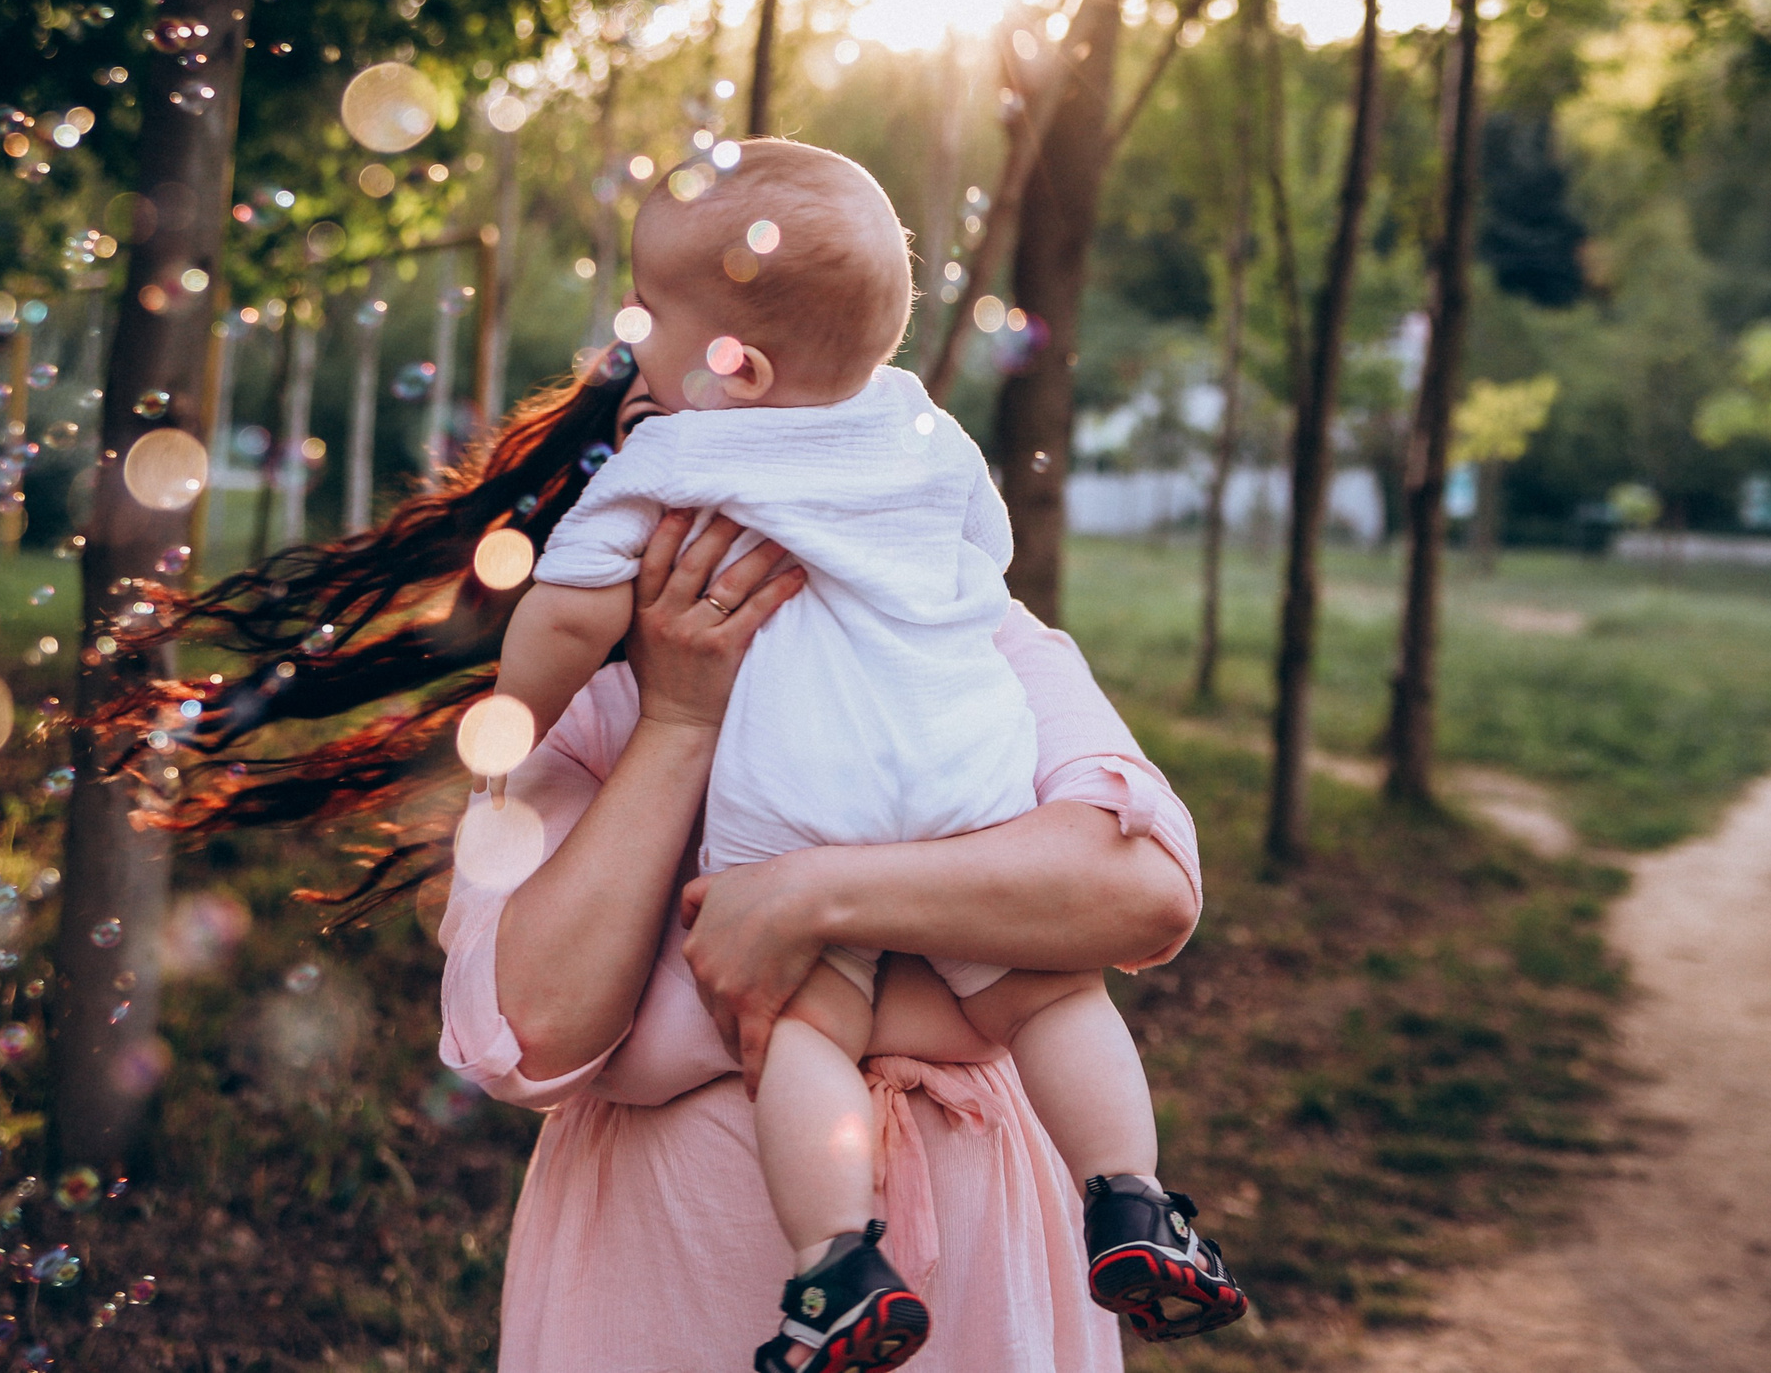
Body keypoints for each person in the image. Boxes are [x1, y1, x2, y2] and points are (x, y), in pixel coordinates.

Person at [465, 140, 1243, 1369]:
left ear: (728, 370)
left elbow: (1143, 890)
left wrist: (799, 896)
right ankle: (1134, 1200)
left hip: (952, 1230)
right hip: (681, 1267)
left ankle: (837, 1266)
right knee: (1049, 991)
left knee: (801, 1031)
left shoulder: (677, 462)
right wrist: (676, 718)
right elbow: (535, 1031)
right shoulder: (927, 460)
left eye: (645, 324)